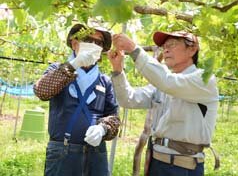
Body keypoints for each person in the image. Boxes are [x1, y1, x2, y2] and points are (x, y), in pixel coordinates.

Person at [108, 31, 219, 176]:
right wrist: (118, 71)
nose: (166, 50)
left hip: (182, 167)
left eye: (172, 44)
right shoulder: (164, 83)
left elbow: (168, 82)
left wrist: (133, 49)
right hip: (157, 164)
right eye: (164, 46)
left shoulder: (204, 80)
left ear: (192, 50)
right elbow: (129, 99)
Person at [34, 23, 120, 176]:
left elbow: (113, 117)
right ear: (74, 44)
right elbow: (42, 91)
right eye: (87, 39)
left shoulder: (104, 81)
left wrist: (103, 128)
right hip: (63, 152)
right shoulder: (57, 71)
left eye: (98, 42)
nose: (93, 45)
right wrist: (74, 65)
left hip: (96, 153)